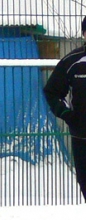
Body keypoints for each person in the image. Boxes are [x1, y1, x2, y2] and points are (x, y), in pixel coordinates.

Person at [44, 17, 86, 202]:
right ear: (84, 34)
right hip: (82, 137)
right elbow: (52, 91)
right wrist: (67, 115)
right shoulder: (72, 61)